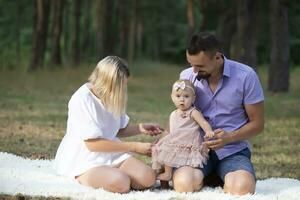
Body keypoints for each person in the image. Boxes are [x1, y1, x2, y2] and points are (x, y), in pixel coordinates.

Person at [54, 56, 164, 193]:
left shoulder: (112, 96)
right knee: (121, 182)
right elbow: (92, 144)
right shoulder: (82, 99)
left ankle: (109, 174)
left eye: (125, 84)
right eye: (121, 85)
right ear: (108, 82)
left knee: (148, 178)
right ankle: (83, 177)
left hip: (111, 151)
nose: (124, 88)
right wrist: (134, 147)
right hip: (85, 158)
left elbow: (117, 130)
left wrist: (140, 128)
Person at [172, 32, 264, 195]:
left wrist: (229, 137)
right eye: (190, 64)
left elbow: (257, 124)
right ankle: (209, 176)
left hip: (233, 150)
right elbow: (181, 115)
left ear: (217, 57)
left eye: (200, 66)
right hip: (195, 151)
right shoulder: (186, 76)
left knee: (242, 188)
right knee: (183, 184)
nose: (194, 70)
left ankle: (224, 176)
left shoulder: (246, 76)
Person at [151, 79, 214, 182]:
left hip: (188, 142)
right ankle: (166, 175)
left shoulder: (193, 112)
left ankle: (177, 174)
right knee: (165, 149)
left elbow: (203, 123)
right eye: (178, 96)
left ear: (193, 98)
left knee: (184, 160)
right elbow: (169, 131)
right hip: (175, 141)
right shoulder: (173, 114)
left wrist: (208, 131)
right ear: (172, 97)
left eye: (186, 96)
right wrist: (161, 140)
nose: (182, 100)